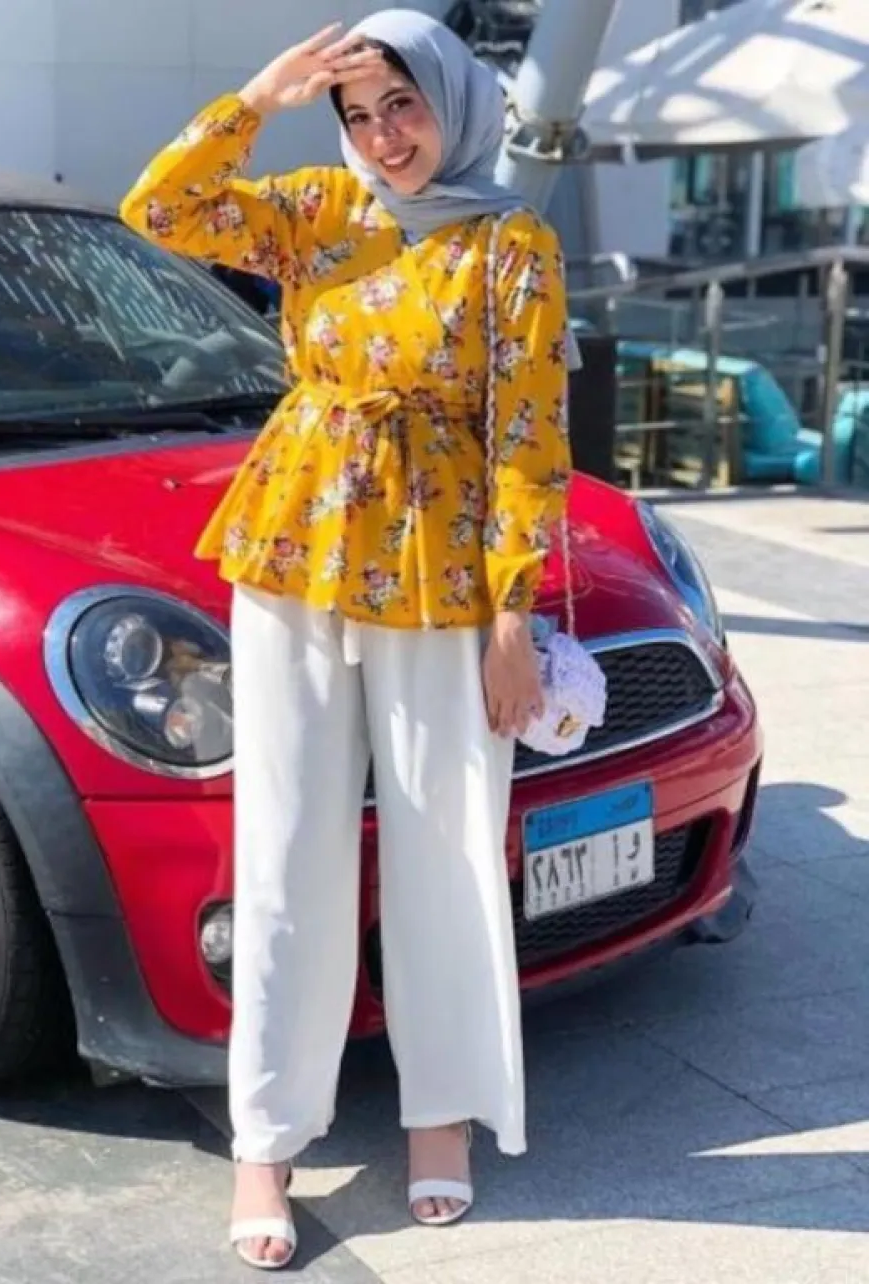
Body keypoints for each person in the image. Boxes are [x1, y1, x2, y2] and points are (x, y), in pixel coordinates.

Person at [119, 8, 570, 1271]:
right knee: (286, 848)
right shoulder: (319, 207)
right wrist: (256, 102)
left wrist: (514, 615)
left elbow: (528, 438)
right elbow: (160, 211)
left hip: (441, 568)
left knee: (448, 850)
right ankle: (266, 1140)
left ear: (455, 104)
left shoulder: (511, 244)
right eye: (360, 115)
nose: (383, 136)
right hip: (297, 547)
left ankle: (442, 1117)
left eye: (403, 106)